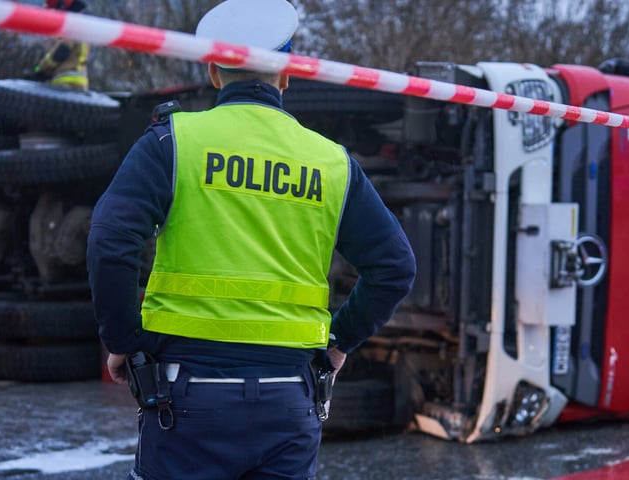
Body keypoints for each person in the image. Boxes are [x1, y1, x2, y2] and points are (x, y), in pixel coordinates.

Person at [85, 0, 416, 478]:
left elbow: (109, 240)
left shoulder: (174, 141)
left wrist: (124, 342)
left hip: (187, 395)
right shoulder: (331, 162)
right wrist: (340, 342)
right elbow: (395, 267)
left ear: (215, 71)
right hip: (289, 399)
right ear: (286, 75)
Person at [29, 0, 90, 91]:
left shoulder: (71, 23)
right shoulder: (82, 23)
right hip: (80, 83)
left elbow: (61, 51)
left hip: (64, 82)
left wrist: (40, 70)